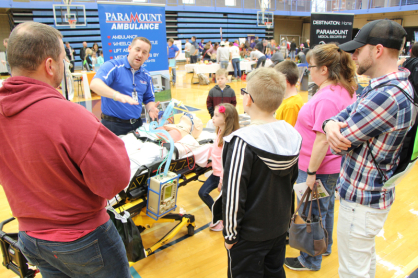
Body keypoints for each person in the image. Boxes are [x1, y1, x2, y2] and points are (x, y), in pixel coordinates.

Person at [0, 22, 131, 278]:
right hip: (82, 238)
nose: (64, 65)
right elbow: (114, 180)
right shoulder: (69, 115)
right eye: (63, 59)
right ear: (50, 65)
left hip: (31, 237)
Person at [323, 19, 416, 278]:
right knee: (363, 264)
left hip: (363, 200)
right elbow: (342, 116)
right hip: (370, 197)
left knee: (353, 271)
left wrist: (331, 128)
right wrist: (330, 123)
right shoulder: (385, 87)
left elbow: (340, 144)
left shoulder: (386, 95)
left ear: (377, 50)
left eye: (358, 49)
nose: (353, 56)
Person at [211, 67, 302, 278]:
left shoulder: (241, 141)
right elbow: (291, 184)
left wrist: (231, 235)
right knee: (274, 272)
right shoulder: (292, 135)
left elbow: (233, 195)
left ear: (248, 99)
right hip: (279, 229)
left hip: (248, 236)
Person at [284, 43, 357, 272]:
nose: (308, 71)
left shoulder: (327, 98)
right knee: (323, 209)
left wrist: (312, 173)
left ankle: (309, 260)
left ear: (324, 69)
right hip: (329, 166)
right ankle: (324, 246)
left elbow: (322, 140)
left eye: (311, 66)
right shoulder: (342, 89)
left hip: (318, 167)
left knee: (310, 212)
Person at [90, 37, 159, 136]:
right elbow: (95, 84)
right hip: (113, 126)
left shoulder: (146, 75)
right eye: (137, 49)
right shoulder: (113, 66)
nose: (140, 55)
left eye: (144, 52)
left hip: (137, 125)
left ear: (147, 56)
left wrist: (151, 108)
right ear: (130, 48)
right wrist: (117, 95)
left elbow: (148, 99)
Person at [198, 103, 239, 232]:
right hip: (216, 172)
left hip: (221, 175)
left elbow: (227, 162)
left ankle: (220, 218)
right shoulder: (220, 131)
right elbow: (217, 153)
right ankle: (219, 217)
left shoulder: (229, 138)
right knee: (202, 193)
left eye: (216, 115)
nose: (213, 118)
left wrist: (222, 181)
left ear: (226, 117)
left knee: (205, 193)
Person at [274, 60, 304, 127]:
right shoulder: (288, 100)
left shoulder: (291, 105)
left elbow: (288, 133)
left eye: (276, 79)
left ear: (285, 80)